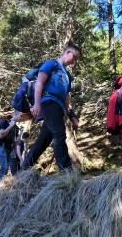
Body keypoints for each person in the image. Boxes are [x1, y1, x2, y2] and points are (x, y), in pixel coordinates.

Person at [30, 44, 82, 172]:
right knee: (59, 134)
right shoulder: (51, 65)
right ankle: (66, 172)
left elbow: (65, 98)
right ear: (68, 52)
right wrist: (37, 104)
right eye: (74, 58)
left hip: (58, 107)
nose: (74, 61)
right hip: (48, 103)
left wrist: (72, 116)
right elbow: (39, 83)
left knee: (43, 140)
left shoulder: (67, 76)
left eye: (76, 60)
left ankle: (24, 168)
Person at [0, 112, 22, 179]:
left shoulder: (16, 128)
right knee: (4, 169)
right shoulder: (6, 122)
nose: (21, 117)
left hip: (9, 148)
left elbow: (15, 141)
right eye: (20, 115)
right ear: (15, 114)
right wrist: (10, 126)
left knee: (5, 170)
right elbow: (1, 135)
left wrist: (21, 133)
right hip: (1, 146)